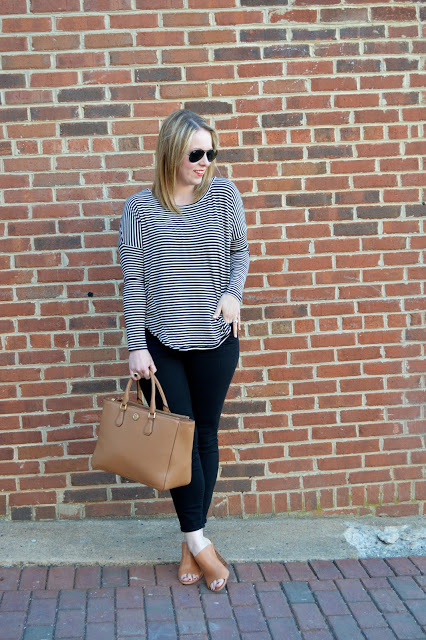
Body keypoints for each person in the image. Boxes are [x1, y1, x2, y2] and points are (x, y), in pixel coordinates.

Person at [118, 109, 249, 592]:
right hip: (162, 344)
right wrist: (135, 347)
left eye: (211, 152)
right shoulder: (141, 209)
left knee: (207, 435)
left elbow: (240, 252)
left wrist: (233, 292)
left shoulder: (223, 195)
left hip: (216, 340)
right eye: (196, 153)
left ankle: (189, 544)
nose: (205, 161)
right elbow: (133, 282)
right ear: (171, 152)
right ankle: (199, 541)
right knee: (182, 441)